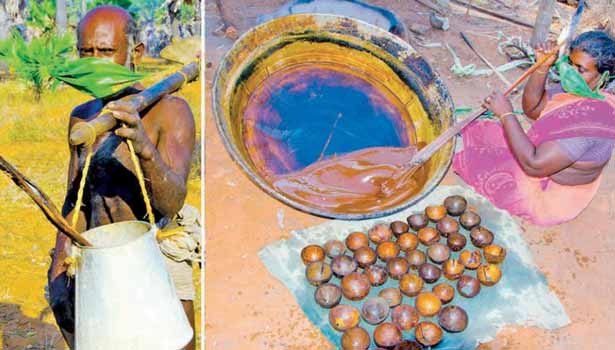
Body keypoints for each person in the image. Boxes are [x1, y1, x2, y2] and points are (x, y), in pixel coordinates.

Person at [46, 6, 198, 349]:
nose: (95, 61)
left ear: (135, 53)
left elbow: (172, 202)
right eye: (87, 52)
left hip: (155, 255)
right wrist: (59, 265)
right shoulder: (82, 118)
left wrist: (142, 143)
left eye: (106, 51)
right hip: (100, 259)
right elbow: (75, 199)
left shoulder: (169, 112)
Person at [454, 31, 615, 226]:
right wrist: (542, 67)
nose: (570, 72)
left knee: (475, 162)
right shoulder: (581, 89)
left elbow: (534, 165)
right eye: (570, 64)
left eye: (580, 69)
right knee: (481, 130)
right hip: (542, 159)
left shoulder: (593, 122)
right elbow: (532, 109)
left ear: (603, 77)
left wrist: (506, 115)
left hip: (548, 194)